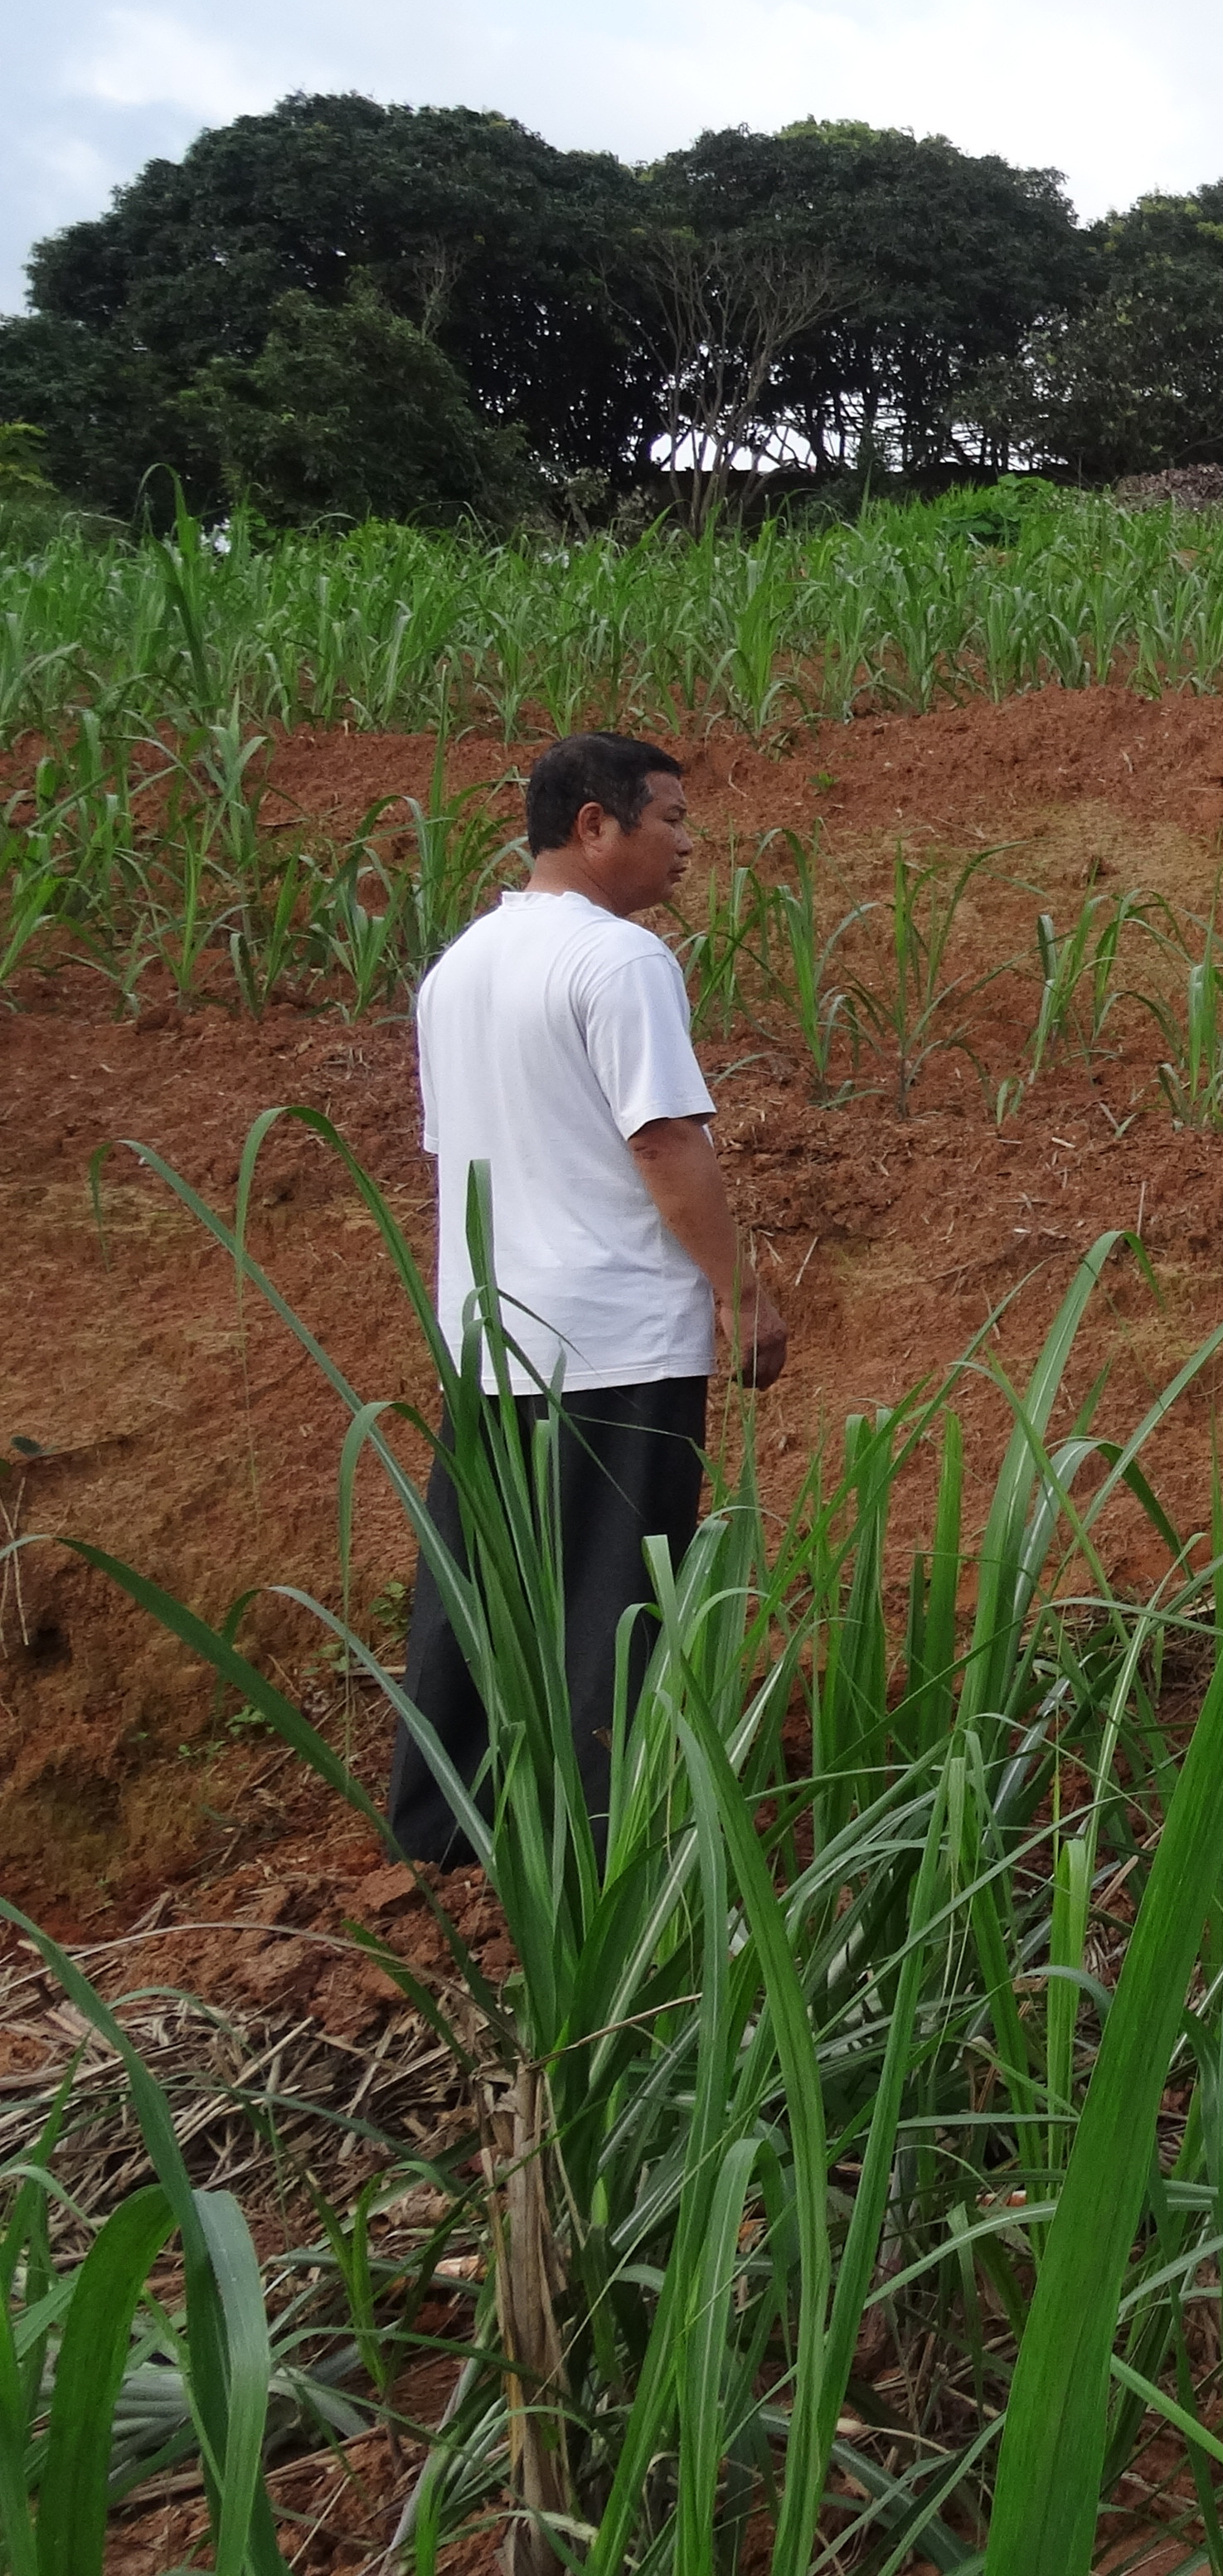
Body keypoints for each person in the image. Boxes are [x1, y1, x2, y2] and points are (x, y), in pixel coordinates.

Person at [387, 731, 789, 1865]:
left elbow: (462, 1151)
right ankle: (598, 1862)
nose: (687, 846)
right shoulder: (620, 962)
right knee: (614, 1600)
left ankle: (440, 1838)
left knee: (481, 1589)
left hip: (490, 1332)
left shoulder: (458, 970)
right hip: (615, 1339)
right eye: (670, 820)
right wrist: (742, 1295)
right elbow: (664, 1143)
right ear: (594, 825)